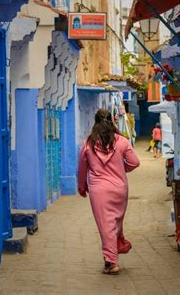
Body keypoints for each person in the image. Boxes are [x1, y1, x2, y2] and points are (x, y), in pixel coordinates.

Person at [78, 108, 140, 275]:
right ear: (112, 120)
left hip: (99, 191)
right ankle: (117, 246)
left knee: (106, 226)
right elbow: (135, 162)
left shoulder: (88, 144)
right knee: (115, 222)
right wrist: (121, 169)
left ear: (95, 122)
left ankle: (112, 262)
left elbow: (82, 168)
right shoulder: (122, 141)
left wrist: (82, 187)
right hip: (120, 189)